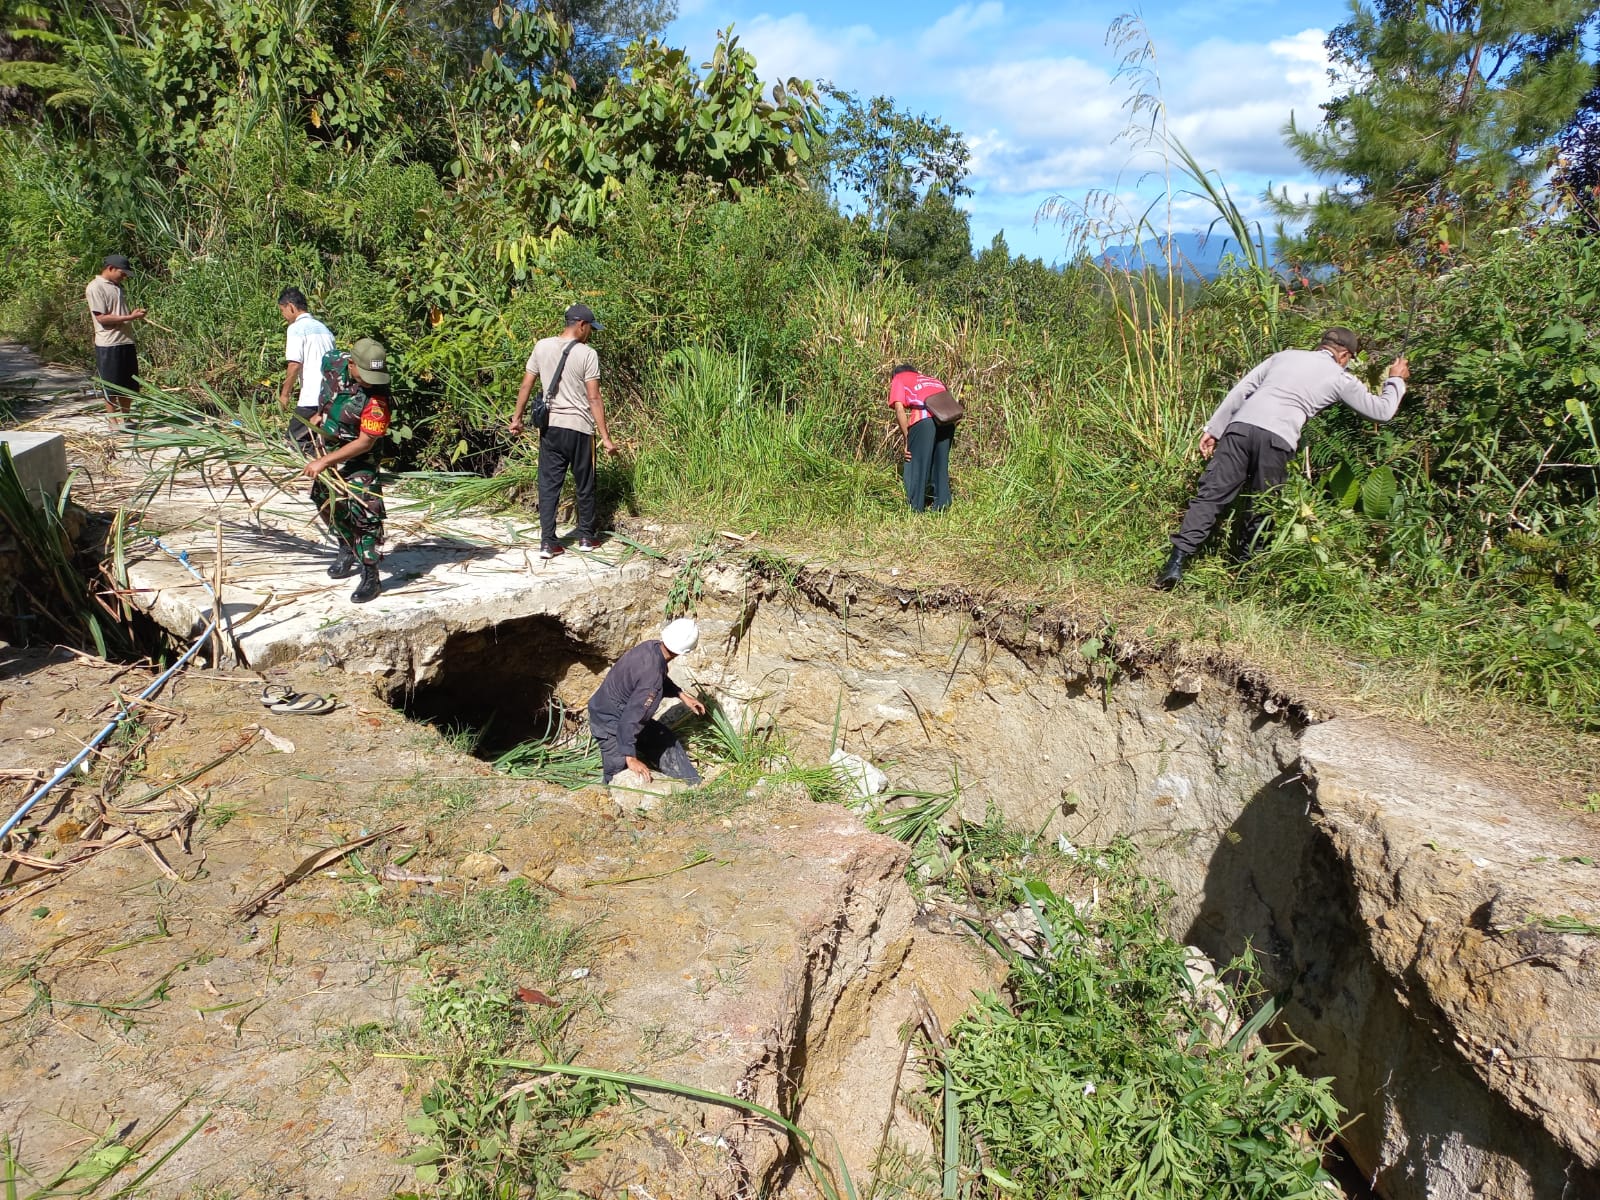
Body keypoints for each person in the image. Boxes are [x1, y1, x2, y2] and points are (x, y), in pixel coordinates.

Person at [1155, 328, 1410, 589]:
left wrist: (1214, 429)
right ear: (1344, 355)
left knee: (1211, 495)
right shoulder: (1340, 378)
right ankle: (1245, 576)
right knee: (1262, 506)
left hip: (1240, 428)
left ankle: (1175, 563)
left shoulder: (1284, 356)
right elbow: (1381, 412)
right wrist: (1395, 380)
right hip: (1278, 438)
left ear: (1322, 345)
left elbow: (1242, 390)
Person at [508, 303, 617, 559]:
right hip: (579, 428)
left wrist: (517, 418)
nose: (590, 333)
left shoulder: (541, 346)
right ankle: (586, 538)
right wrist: (605, 437)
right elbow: (594, 398)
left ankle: (548, 543)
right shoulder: (587, 354)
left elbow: (526, 385)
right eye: (590, 328)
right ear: (581, 325)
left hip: (551, 429)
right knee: (585, 483)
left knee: (548, 485)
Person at [302, 338, 393, 604]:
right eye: (365, 374)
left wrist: (326, 462)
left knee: (365, 512)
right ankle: (346, 546)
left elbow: (365, 441)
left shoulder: (379, 397)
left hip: (358, 458)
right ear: (351, 363)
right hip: (326, 448)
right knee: (325, 501)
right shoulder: (333, 361)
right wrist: (319, 413)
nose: (370, 380)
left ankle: (370, 573)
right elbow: (324, 386)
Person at [587, 618, 708, 786]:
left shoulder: (651, 648)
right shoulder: (652, 678)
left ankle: (693, 785)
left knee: (664, 740)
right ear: (684, 651)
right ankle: (610, 798)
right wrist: (630, 757)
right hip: (608, 720)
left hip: (619, 712)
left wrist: (681, 695)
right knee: (618, 772)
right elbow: (632, 718)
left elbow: (654, 679)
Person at [276, 287, 336, 456]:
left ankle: (319, 467)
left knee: (294, 440)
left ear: (291, 307)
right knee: (317, 437)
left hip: (312, 395)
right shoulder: (324, 329)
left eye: (283, 311)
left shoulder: (296, 328)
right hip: (330, 393)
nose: (284, 316)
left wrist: (285, 394)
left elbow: (294, 364)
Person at [888, 363, 954, 512]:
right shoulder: (933, 380)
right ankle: (942, 506)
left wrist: (907, 438)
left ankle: (915, 507)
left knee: (915, 462)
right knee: (940, 463)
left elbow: (899, 409)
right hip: (947, 421)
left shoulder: (899, 378)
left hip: (924, 420)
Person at [84, 254, 146, 414]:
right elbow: (102, 318)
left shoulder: (116, 286)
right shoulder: (95, 287)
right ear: (110, 268)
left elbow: (117, 311)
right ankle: (113, 421)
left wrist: (132, 314)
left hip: (125, 341)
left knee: (128, 384)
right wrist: (130, 317)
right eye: (122, 273)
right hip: (109, 344)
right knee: (111, 385)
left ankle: (127, 418)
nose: (124, 277)